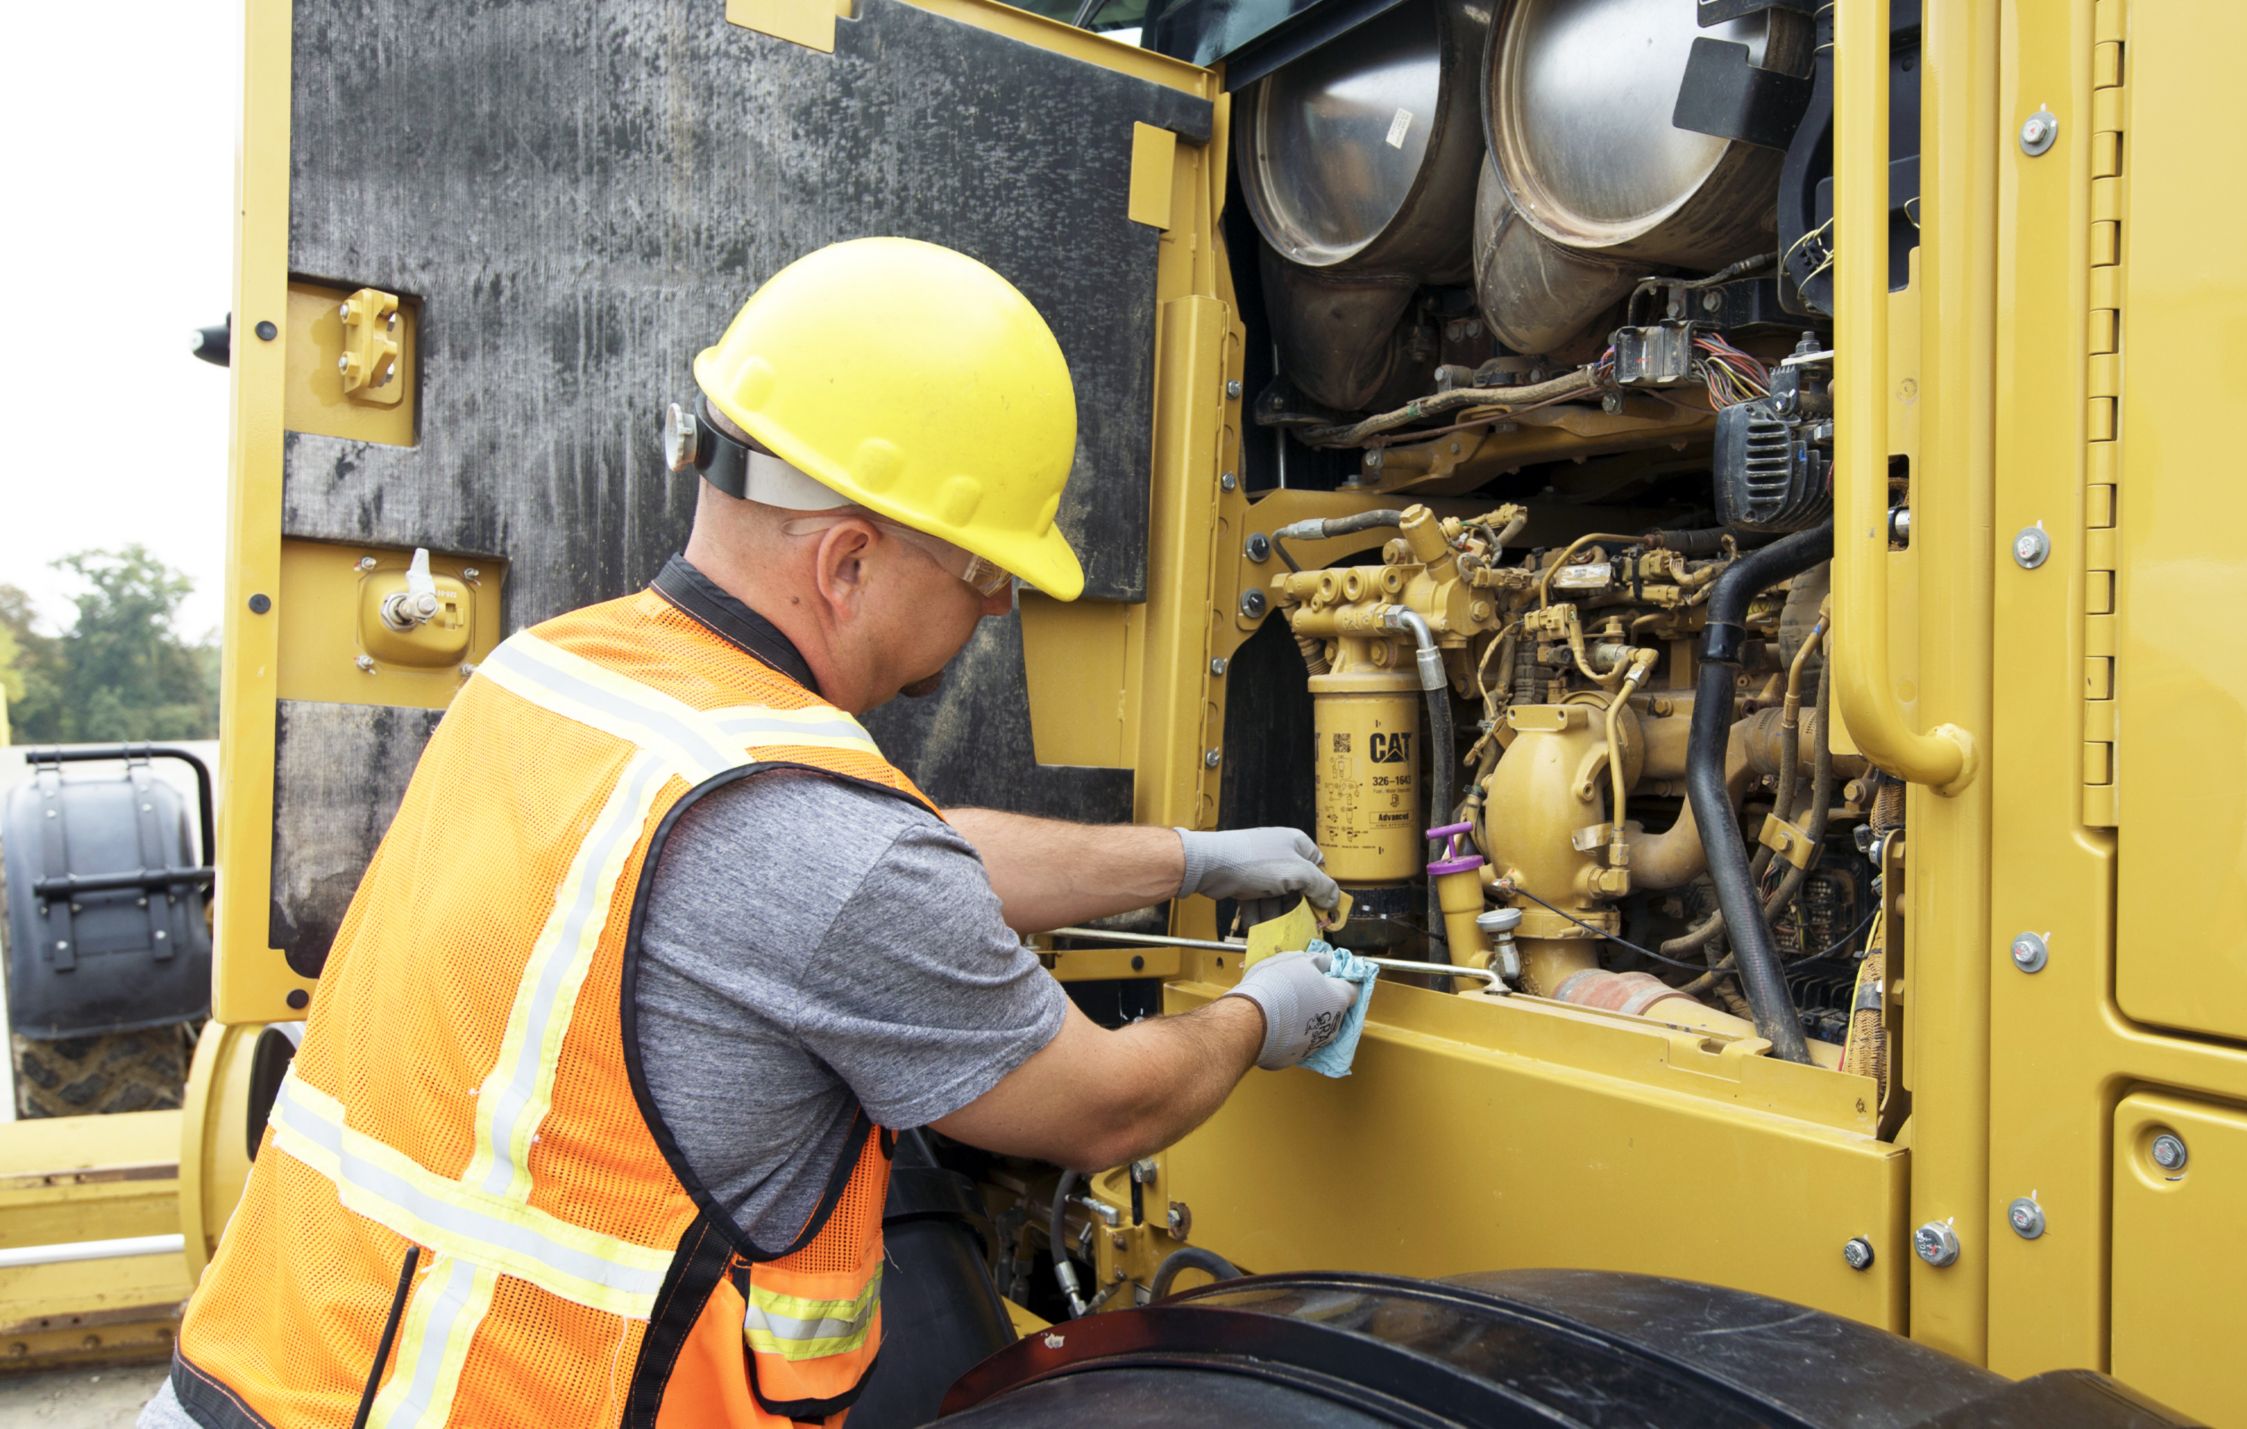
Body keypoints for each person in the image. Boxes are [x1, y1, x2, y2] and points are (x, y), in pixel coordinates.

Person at [144, 237, 1358, 1428]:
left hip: (259, 1377)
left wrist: (1188, 859)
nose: (990, 616)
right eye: (986, 582)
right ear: (847, 562)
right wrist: (1263, 1010)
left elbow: (891, 871)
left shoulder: (559, 672)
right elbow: (1107, 1108)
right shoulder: (822, 844)